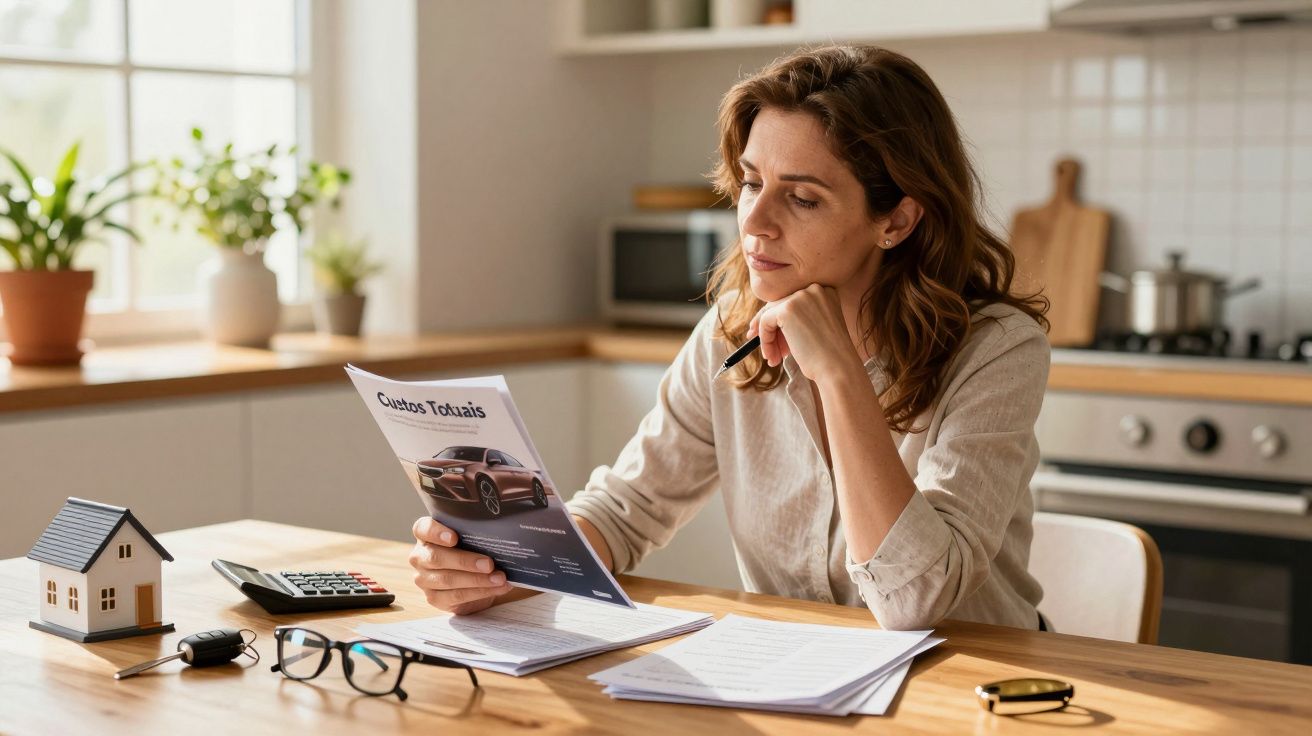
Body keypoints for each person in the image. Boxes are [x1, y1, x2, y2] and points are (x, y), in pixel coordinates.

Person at [409, 44, 1052, 631]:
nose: (755, 222)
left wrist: (838, 376)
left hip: (973, 690)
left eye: (801, 198)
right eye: (750, 183)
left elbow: (917, 602)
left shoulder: (996, 350)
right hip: (797, 681)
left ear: (897, 219)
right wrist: (505, 569)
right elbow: (625, 510)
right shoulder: (731, 331)